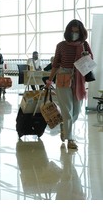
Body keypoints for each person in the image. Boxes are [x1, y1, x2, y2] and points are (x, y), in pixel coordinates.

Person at [45, 19, 93, 150]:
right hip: (63, 78)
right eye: (72, 31)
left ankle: (64, 127)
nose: (74, 33)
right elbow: (55, 64)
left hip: (79, 78)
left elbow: (90, 62)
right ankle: (70, 139)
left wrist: (86, 56)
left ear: (81, 32)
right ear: (68, 32)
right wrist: (49, 80)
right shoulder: (61, 45)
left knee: (76, 111)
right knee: (67, 110)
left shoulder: (84, 45)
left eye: (77, 31)